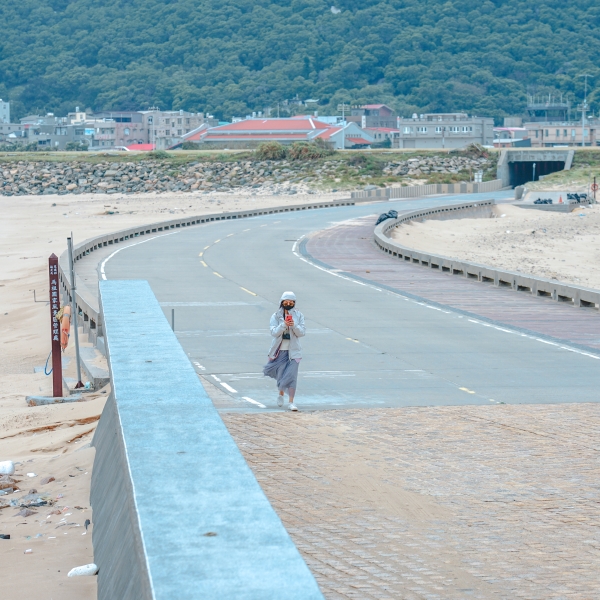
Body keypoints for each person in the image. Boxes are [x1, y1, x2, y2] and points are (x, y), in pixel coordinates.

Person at [263, 291, 305, 411]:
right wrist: (283, 325)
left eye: (291, 301)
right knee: (281, 376)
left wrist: (293, 325)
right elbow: (274, 332)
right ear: (282, 302)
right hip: (279, 351)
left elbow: (302, 332)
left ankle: (291, 402)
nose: (289, 303)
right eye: (286, 301)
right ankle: (281, 393)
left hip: (294, 351)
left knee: (291, 376)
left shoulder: (299, 316)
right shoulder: (275, 316)